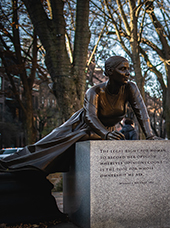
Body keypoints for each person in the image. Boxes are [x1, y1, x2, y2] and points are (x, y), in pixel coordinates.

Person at [0, 56, 159, 174]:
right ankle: (9, 162)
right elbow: (90, 117)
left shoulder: (130, 88)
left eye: (128, 69)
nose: (128, 73)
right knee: (44, 147)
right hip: (79, 127)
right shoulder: (95, 92)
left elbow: (141, 111)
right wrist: (105, 134)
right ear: (109, 72)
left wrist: (150, 135)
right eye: (122, 69)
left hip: (103, 132)